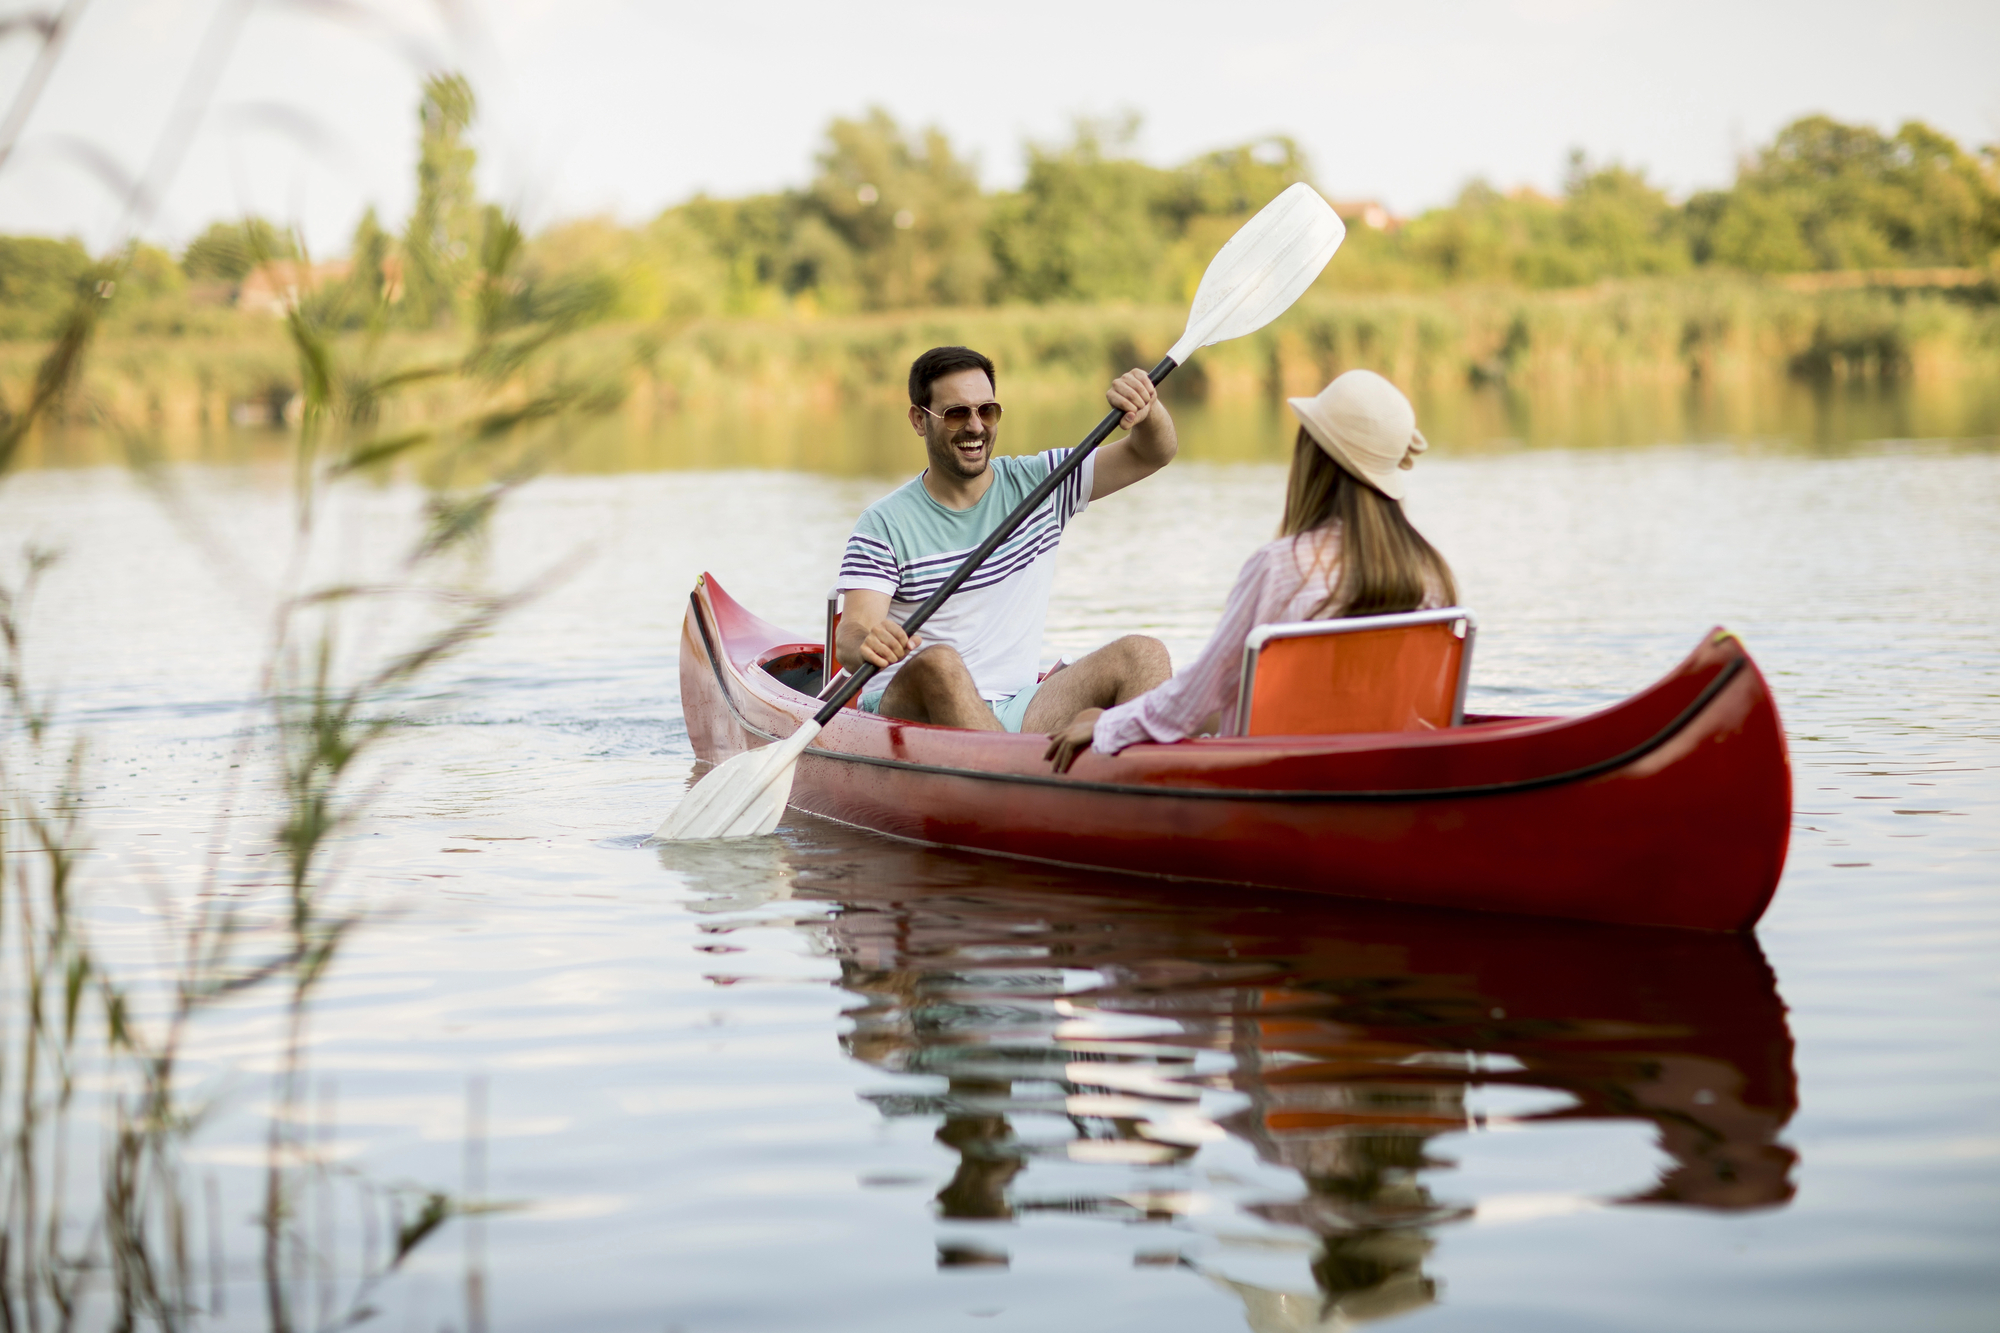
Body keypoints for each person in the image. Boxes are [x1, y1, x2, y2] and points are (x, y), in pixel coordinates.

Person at [1045, 368, 1458, 772]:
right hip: (1384, 765)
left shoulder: (1281, 567)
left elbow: (1198, 694)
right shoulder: (1430, 572)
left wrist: (1107, 724)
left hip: (1285, 772)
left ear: (1313, 459)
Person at [834, 345, 1176, 732]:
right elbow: (851, 633)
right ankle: (1017, 776)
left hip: (1019, 706)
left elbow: (1153, 454)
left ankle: (1126, 781)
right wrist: (867, 643)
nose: (976, 427)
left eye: (987, 411)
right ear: (918, 420)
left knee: (1144, 654)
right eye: (956, 413)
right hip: (908, 714)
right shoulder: (883, 523)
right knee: (939, 662)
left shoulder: (1042, 483)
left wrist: (1147, 410)